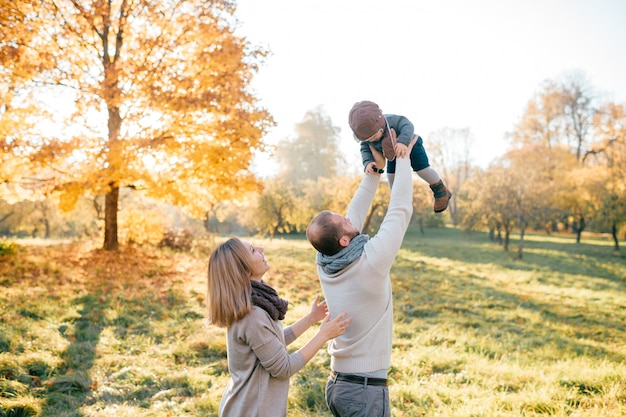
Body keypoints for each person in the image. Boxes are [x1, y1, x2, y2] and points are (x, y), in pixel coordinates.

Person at [305, 138, 414, 416]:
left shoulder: (325, 261)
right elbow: (400, 210)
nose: (349, 218)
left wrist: (374, 173)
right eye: (343, 221)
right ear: (343, 240)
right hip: (364, 391)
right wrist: (402, 158)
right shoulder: (371, 263)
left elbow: (350, 219)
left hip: (339, 385)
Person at [207, 237, 351, 417]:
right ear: (243, 271)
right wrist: (322, 335)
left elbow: (272, 343)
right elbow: (284, 368)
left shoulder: (254, 303)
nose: (261, 248)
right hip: (252, 411)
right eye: (253, 250)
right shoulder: (252, 315)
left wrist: (311, 318)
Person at [349, 100, 452, 213]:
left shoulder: (392, 120)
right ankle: (397, 199)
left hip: (412, 144)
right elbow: (365, 150)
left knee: (422, 170)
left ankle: (440, 190)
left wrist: (403, 142)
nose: (372, 141)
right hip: (392, 154)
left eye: (374, 136)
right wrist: (368, 162)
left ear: (380, 124)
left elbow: (407, 125)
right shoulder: (366, 140)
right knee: (390, 176)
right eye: (369, 139)